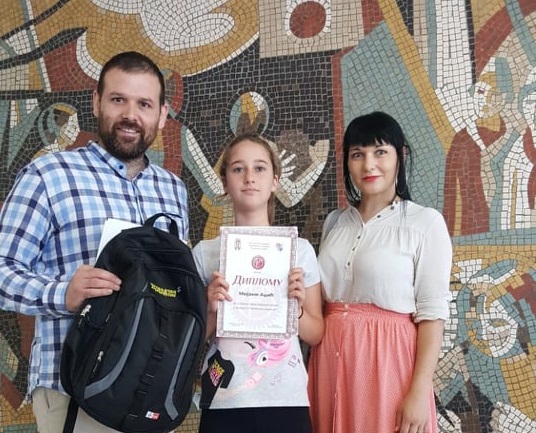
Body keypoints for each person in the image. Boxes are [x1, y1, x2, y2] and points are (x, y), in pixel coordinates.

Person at [0, 51, 189, 433]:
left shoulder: (173, 189)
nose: (130, 115)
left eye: (144, 104)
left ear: (162, 115)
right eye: (118, 99)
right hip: (74, 386)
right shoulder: (48, 174)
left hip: (149, 389)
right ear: (97, 102)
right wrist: (62, 294)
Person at [308, 111, 452, 433]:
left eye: (380, 152)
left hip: (388, 362)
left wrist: (419, 390)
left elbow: (432, 315)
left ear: (401, 156)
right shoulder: (335, 222)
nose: (368, 165)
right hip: (329, 359)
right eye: (357, 154)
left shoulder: (425, 223)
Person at [192, 133, 324, 433]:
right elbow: (191, 338)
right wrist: (210, 308)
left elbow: (316, 333)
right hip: (224, 398)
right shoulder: (204, 254)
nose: (249, 177)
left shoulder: (299, 250)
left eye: (260, 168)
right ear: (224, 183)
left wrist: (296, 309)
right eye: (238, 168)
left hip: (285, 398)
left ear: (275, 181)